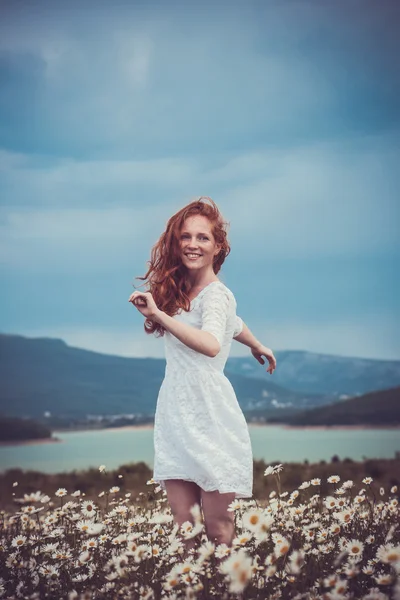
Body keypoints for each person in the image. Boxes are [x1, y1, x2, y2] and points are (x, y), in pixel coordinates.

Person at [128, 196, 276, 560]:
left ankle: (227, 589)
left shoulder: (218, 296)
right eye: (185, 237)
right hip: (176, 413)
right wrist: (256, 343)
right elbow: (234, 325)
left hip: (211, 416)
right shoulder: (182, 290)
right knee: (184, 525)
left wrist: (160, 315)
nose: (193, 244)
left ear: (218, 247)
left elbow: (211, 343)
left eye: (203, 237)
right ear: (176, 243)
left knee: (218, 526)